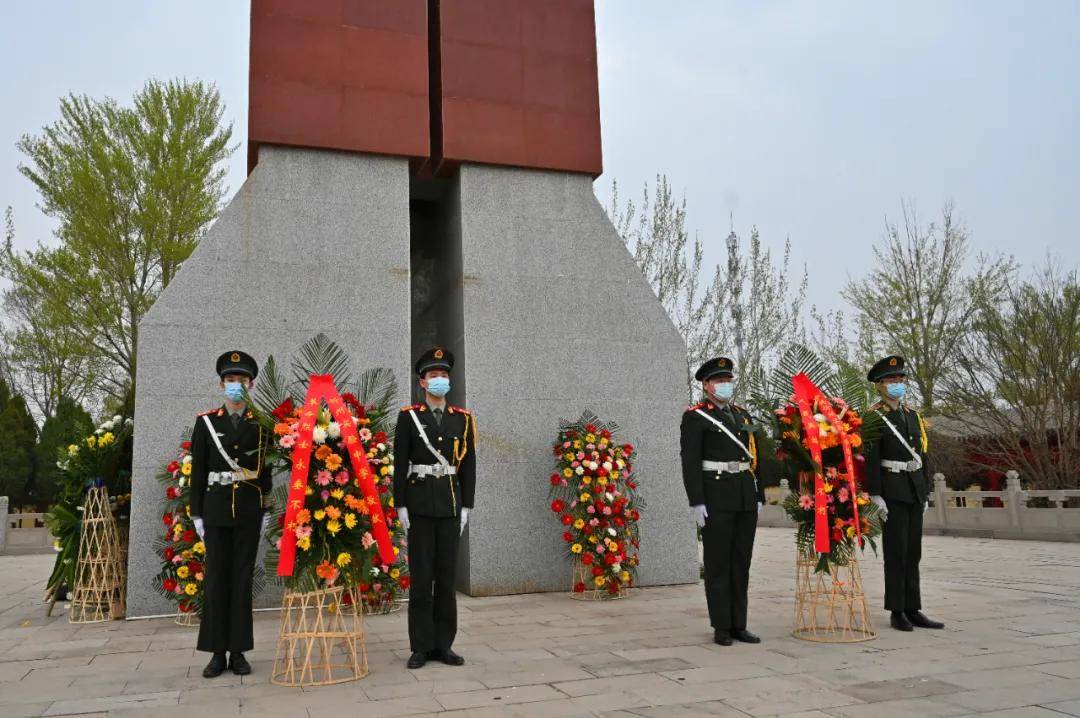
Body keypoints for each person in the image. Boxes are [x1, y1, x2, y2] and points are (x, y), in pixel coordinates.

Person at [189, 350, 273, 677]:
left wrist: (266, 508)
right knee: (216, 581)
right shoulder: (207, 423)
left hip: (249, 513)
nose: (235, 386)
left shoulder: (261, 425)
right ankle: (216, 652)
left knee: (241, 582)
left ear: (250, 385)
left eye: (241, 381)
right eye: (230, 380)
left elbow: (264, 471)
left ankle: (238, 651)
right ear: (222, 384)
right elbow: (197, 471)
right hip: (216, 512)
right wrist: (196, 513)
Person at [393, 346, 477, 669]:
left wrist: (467, 504)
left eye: (443, 375)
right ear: (422, 383)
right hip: (418, 507)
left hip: (450, 507)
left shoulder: (463, 420)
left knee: (445, 578)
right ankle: (420, 646)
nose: (439, 379)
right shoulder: (409, 417)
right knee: (421, 577)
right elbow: (400, 463)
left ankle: (444, 645)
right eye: (433, 375)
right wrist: (399, 503)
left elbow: (468, 465)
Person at [680, 356, 764, 646]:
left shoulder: (742, 415)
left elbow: (755, 457)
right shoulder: (695, 417)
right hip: (715, 497)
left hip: (743, 495)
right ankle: (722, 626)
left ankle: (739, 623)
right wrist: (696, 502)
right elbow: (690, 461)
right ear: (706, 385)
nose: (724, 385)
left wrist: (759, 494)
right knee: (718, 563)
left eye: (727, 380)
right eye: (719, 381)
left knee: (741, 561)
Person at [864, 355, 945, 632]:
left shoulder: (913, 416)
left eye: (900, 379)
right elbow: (871, 458)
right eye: (891, 380)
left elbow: (922, 454)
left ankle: (914, 607)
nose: (897, 384)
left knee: (913, 552)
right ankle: (897, 610)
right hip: (892, 490)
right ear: (879, 385)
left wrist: (924, 490)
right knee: (896, 551)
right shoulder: (874, 417)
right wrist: (875, 494)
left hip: (913, 489)